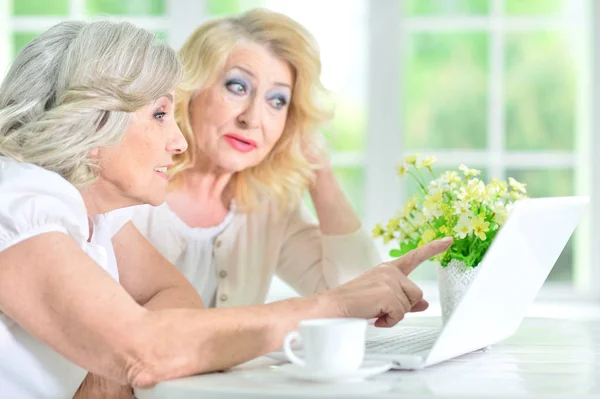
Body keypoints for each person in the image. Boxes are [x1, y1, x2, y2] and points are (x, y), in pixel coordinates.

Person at [0, 18, 451, 399]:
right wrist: (329, 305)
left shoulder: (95, 210)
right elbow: (143, 353)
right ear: (95, 121)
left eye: (278, 101)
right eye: (160, 115)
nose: (177, 142)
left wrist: (117, 353)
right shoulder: (21, 199)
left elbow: (174, 307)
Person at [130, 8, 382, 308]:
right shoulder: (131, 188)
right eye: (237, 87)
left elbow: (364, 296)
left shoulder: (269, 206)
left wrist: (320, 173)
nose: (253, 119)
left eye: (277, 101)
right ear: (191, 91)